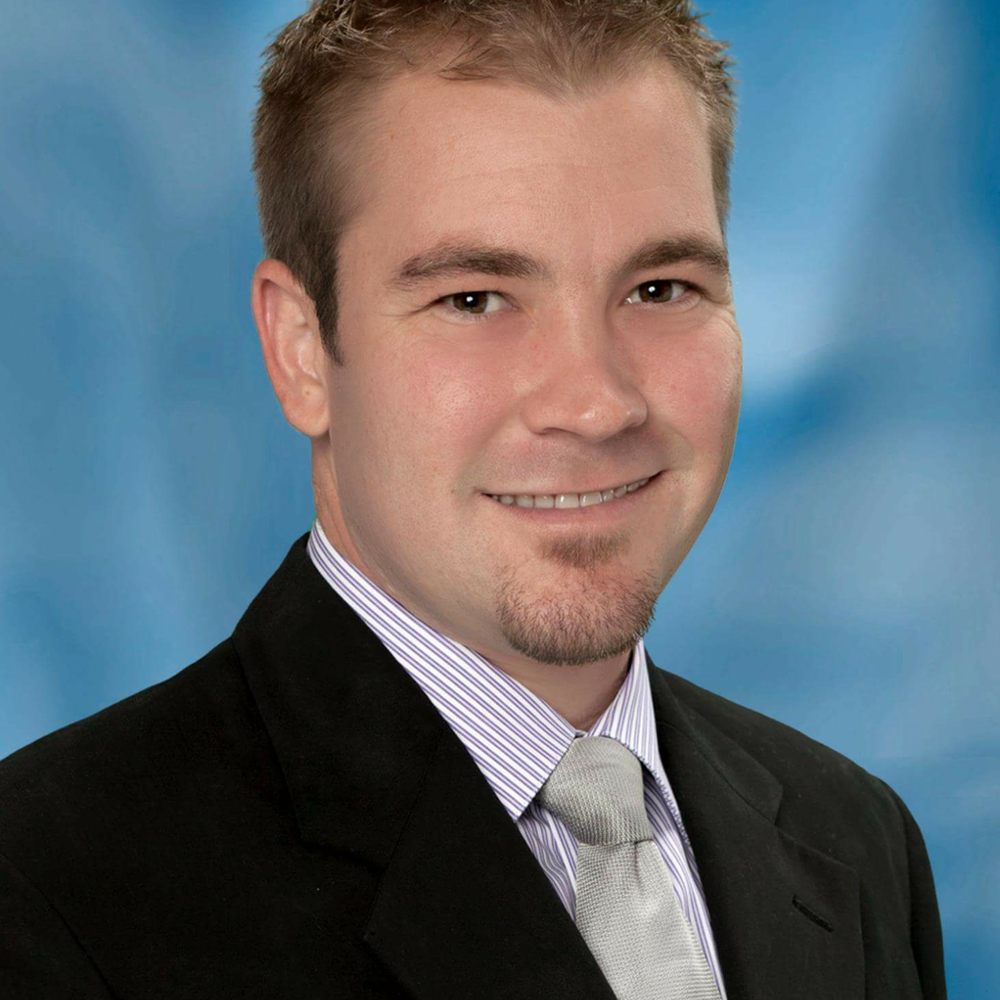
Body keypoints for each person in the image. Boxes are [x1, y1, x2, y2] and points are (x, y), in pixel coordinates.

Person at [0, 1, 946, 997]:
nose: (595, 403)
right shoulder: (51, 889)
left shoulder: (856, 840)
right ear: (301, 350)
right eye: (474, 299)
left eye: (660, 289)